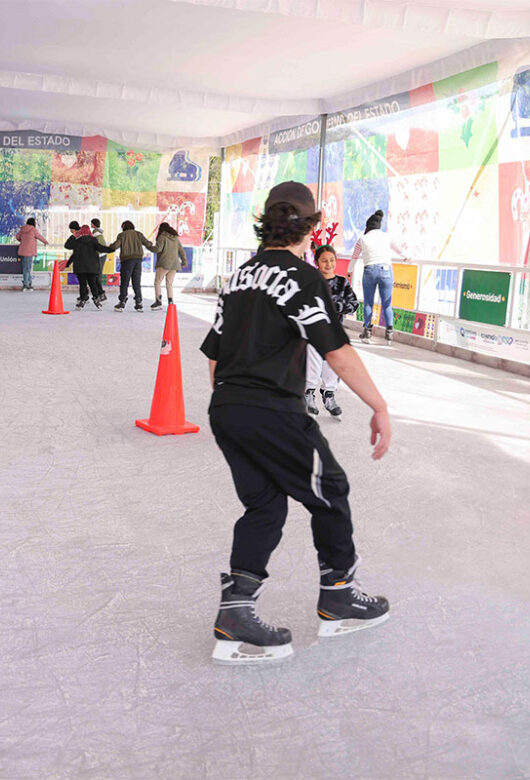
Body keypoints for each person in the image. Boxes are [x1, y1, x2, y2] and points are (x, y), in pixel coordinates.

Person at [200, 181, 391, 665]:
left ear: (266, 222)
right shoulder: (304, 279)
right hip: (270, 409)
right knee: (330, 489)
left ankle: (236, 611)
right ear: (310, 227)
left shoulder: (239, 277)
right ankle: (339, 594)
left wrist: (234, 407)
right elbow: (336, 351)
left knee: (265, 506)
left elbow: (214, 355)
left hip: (227, 406)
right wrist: (379, 406)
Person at [305, 245, 359, 419]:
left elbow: (354, 304)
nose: (328, 264)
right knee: (313, 361)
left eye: (331, 260)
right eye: (324, 260)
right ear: (317, 263)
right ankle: (309, 395)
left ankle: (329, 395)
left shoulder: (342, 283)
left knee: (333, 364)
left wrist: (338, 306)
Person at [351, 209, 407, 344]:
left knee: (368, 303)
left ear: (368, 226)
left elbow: (354, 257)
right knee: (387, 304)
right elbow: (399, 250)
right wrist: (406, 257)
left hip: (369, 270)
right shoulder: (386, 236)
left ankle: (367, 332)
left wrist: (349, 271)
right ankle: (389, 333)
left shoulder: (362, 239)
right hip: (386, 270)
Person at [107, 220, 155, 312]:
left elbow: (114, 246)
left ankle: (122, 302)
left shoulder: (122, 235)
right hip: (138, 260)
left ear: (124, 227)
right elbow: (148, 244)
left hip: (127, 261)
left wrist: (110, 246)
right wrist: (150, 244)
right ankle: (139, 302)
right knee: (136, 282)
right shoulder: (138, 234)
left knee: (125, 282)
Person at [63, 222, 112, 309]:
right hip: (92, 267)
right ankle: (97, 300)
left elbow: (68, 247)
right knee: (92, 284)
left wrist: (68, 263)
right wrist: (111, 249)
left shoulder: (77, 241)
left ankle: (82, 302)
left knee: (83, 284)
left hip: (80, 267)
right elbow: (101, 248)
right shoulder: (94, 240)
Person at [150, 222, 187, 311]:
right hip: (174, 264)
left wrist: (149, 247)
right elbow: (181, 251)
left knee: (157, 282)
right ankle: (170, 302)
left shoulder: (162, 237)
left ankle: (158, 302)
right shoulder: (175, 238)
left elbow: (158, 249)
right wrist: (184, 261)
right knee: (169, 283)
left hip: (164, 263)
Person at [14, 217, 48, 291]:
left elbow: (17, 237)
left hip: (22, 251)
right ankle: (26, 285)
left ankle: (28, 283)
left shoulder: (22, 229)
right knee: (28, 269)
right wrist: (45, 241)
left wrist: (22, 240)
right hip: (29, 252)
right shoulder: (33, 229)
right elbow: (39, 236)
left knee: (25, 268)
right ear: (33, 223)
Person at [90, 218, 108, 305]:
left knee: (97, 274)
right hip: (102, 254)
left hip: (100, 254)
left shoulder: (95, 232)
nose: (91, 225)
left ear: (94, 224)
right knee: (97, 274)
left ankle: (101, 294)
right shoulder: (98, 232)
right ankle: (100, 293)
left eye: (91, 223)